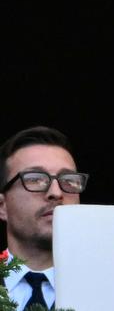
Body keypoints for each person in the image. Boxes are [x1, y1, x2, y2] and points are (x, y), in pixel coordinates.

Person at [0, 126, 88, 310]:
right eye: (35, 178)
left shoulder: (109, 284)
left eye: (69, 180)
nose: (56, 192)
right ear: (2, 206)